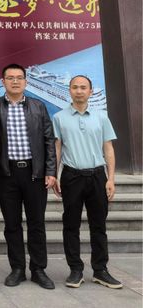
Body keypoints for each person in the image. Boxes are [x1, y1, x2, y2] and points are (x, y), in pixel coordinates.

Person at [52, 75, 122, 289]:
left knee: (98, 225)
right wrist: (54, 175)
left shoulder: (101, 117)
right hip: (71, 176)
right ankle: (75, 270)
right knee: (70, 225)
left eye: (83, 87)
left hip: (97, 176)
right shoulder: (59, 117)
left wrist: (111, 178)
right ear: (69, 90)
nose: (79, 91)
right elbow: (57, 148)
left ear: (91, 91)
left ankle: (100, 270)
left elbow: (108, 148)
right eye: (75, 87)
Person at [0, 63, 56, 289]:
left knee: (36, 223)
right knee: (12, 224)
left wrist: (50, 171)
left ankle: (38, 269)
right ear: (3, 82)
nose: (15, 81)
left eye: (19, 77)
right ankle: (17, 268)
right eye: (10, 78)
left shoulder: (38, 106)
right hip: (7, 173)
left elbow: (49, 140)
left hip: (34, 174)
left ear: (26, 82)